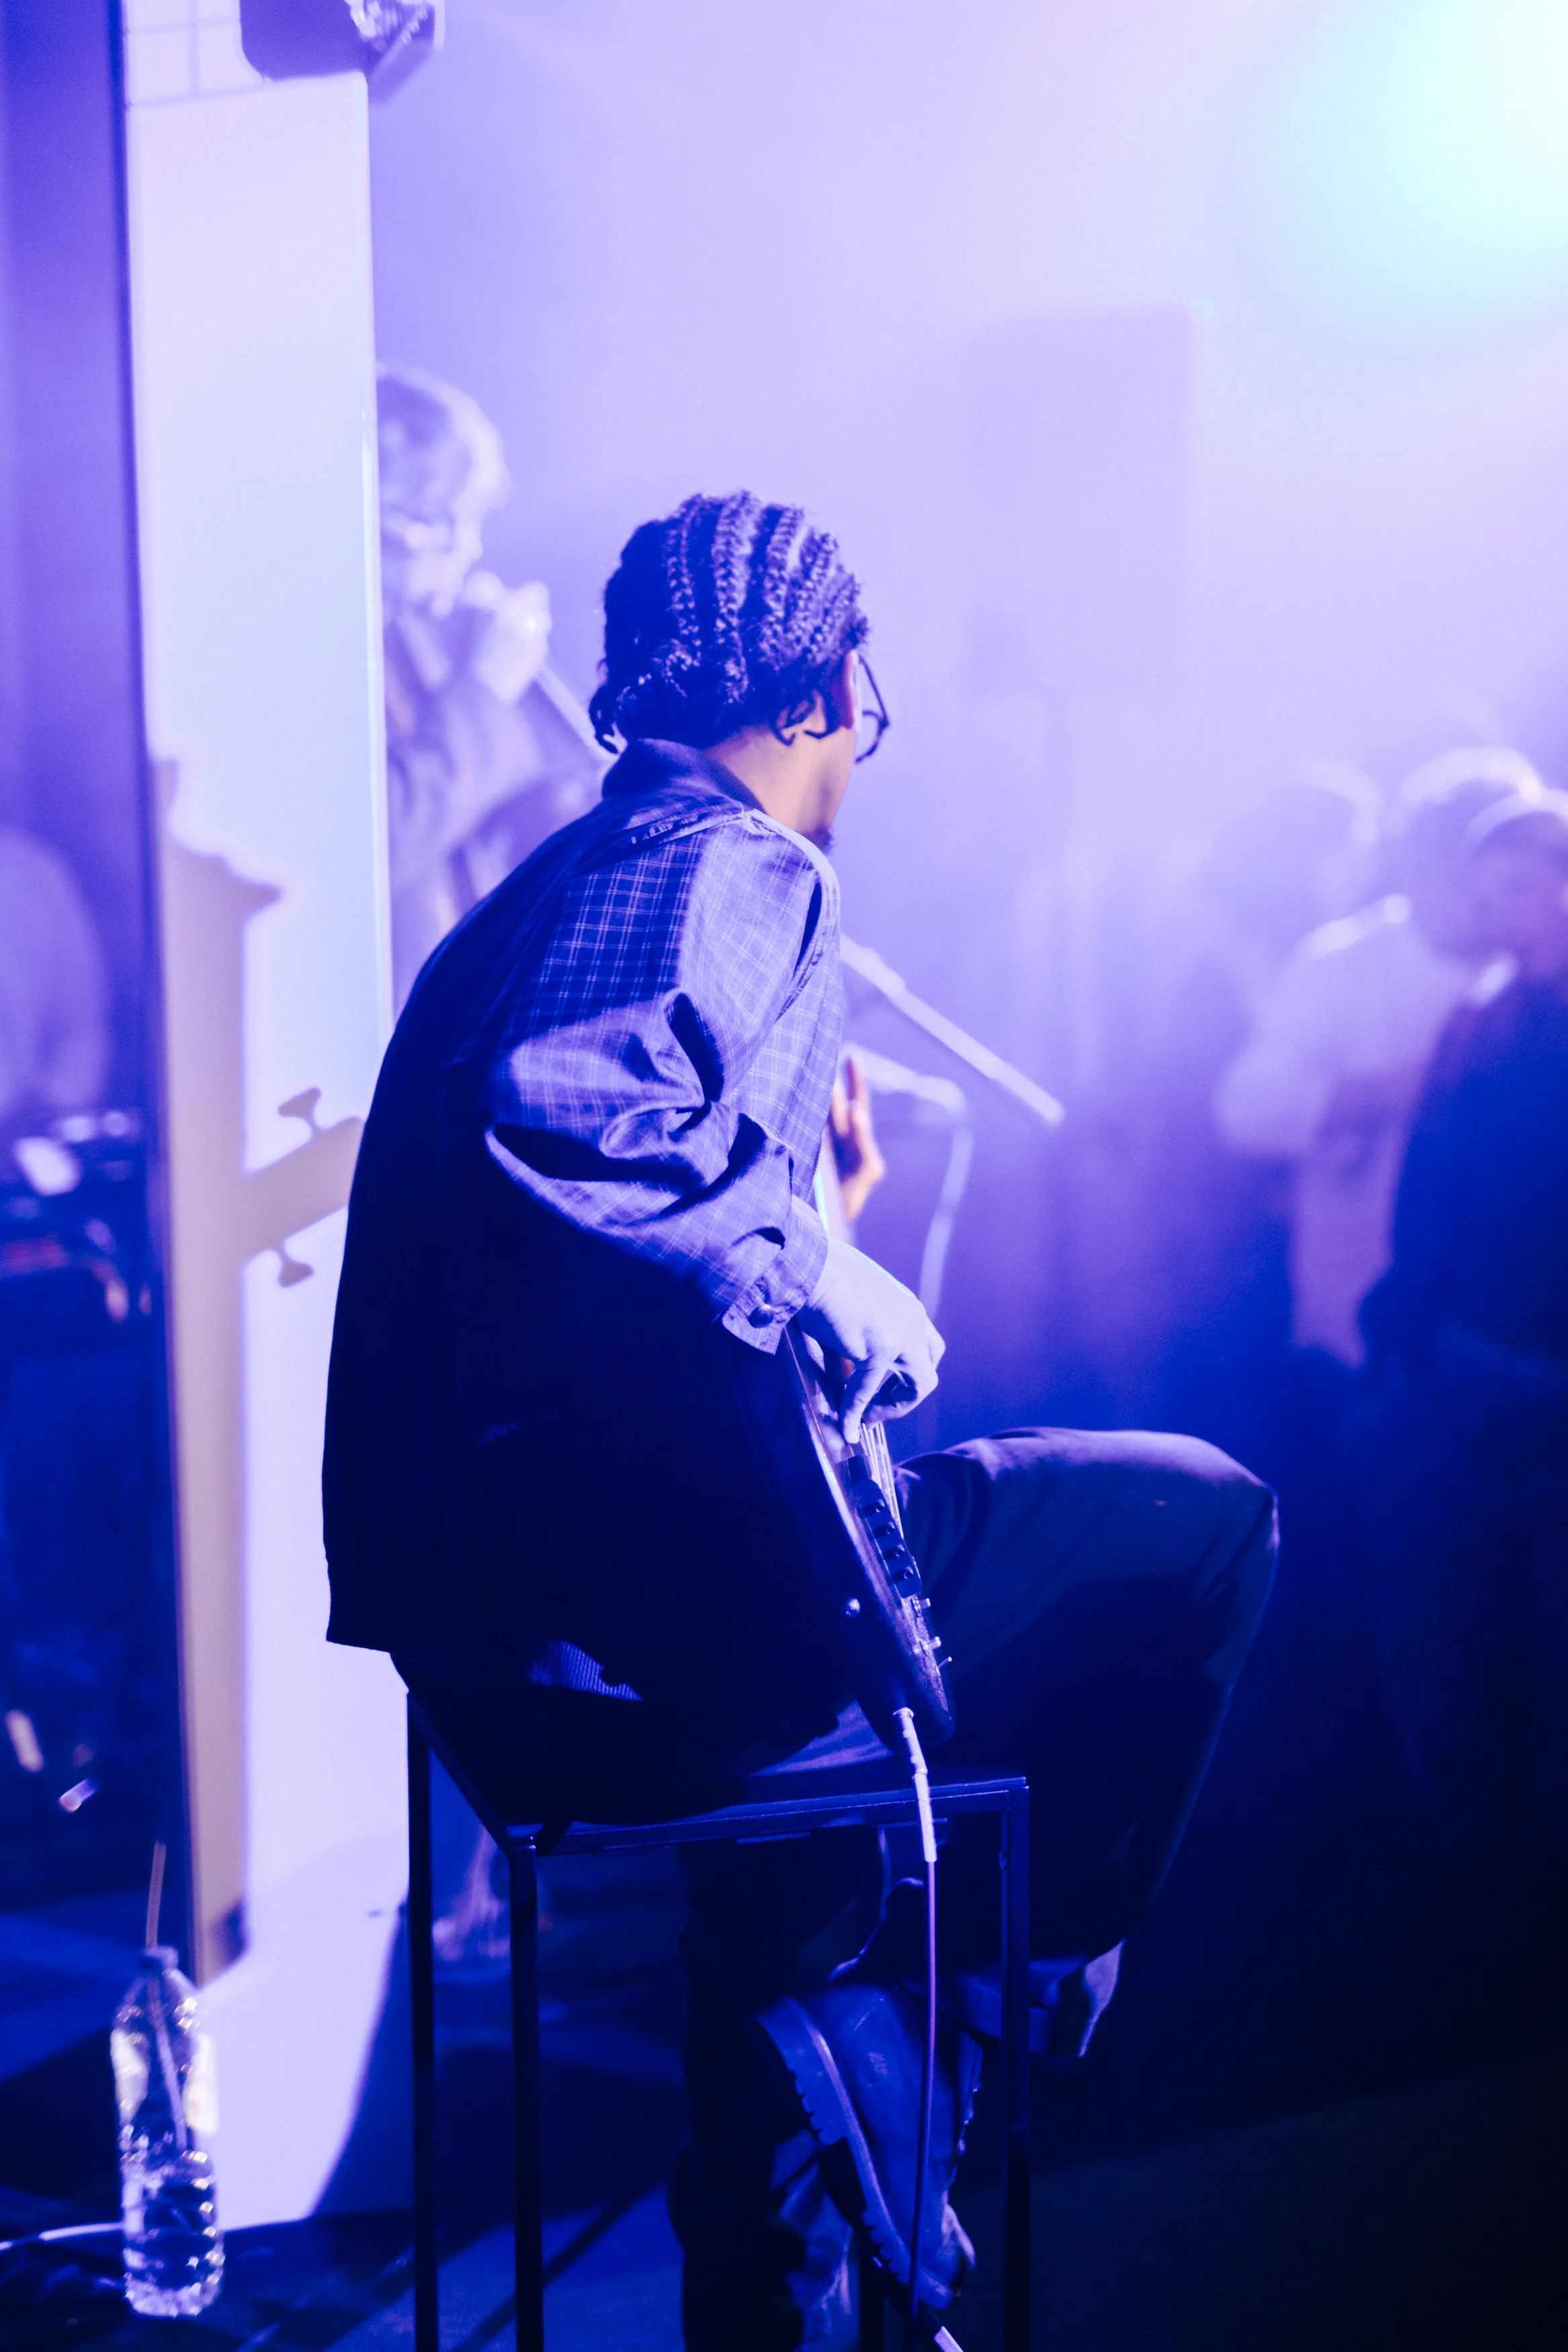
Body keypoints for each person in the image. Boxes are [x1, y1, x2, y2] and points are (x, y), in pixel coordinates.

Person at [322, 493, 1275, 2346]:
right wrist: (810, 1263)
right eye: (865, 705)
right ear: (826, 686)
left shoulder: (548, 882)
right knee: (1198, 1523)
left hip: (538, 1647)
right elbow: (566, 1119)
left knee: (806, 1888)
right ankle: (1008, 1996)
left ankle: (834, 2188)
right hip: (673, 1636)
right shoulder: (729, 858)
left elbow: (611, 1284)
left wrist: (809, 1219)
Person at [1356, 790, 1568, 1837]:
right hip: (1473, 1363)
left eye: (1520, 888)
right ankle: (1471, 1842)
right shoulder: (1480, 1023)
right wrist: (1405, 1326)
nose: (1501, 914)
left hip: (1531, 1363)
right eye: (1489, 896)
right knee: (1463, 1621)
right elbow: (1431, 1189)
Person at [1214, 749, 1538, 1364]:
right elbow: (1248, 1109)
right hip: (1356, 1329)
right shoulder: (1343, 964)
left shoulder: (1539, 967)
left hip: (1502, 1332)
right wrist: (1412, 1088)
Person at [377, 365, 602, 1007]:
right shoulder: (325, 653)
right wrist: (483, 689)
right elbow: (381, 841)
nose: (467, 548)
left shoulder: (412, 645)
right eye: (445, 514)